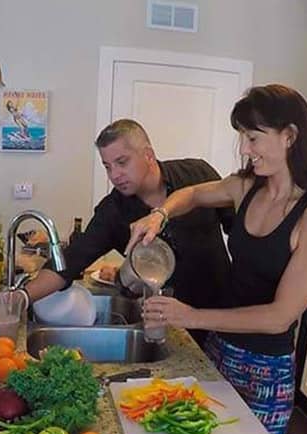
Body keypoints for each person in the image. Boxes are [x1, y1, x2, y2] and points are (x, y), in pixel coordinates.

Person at [127, 84, 307, 434]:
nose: (245, 149)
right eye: (242, 137)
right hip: (217, 352)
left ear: (289, 136)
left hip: (266, 373)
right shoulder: (246, 188)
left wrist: (191, 316)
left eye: (253, 138)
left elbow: (279, 317)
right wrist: (159, 215)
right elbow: (194, 194)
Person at [15, 119, 233, 346]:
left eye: (122, 162)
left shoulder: (197, 174)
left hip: (221, 319)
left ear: (148, 154)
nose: (115, 175)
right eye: (107, 166)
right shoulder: (113, 211)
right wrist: (21, 297)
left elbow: (238, 232)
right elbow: (70, 261)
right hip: (168, 327)